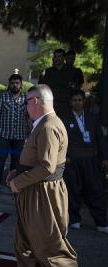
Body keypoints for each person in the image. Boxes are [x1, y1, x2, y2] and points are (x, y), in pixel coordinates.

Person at [7, 84, 77, 267]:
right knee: (25, 246)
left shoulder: (48, 126)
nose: (25, 106)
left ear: (36, 101)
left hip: (42, 194)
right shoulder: (45, 124)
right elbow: (39, 160)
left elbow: (47, 167)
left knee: (50, 250)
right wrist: (18, 172)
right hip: (34, 190)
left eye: (26, 102)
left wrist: (19, 182)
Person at [62, 89, 108, 234]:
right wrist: (64, 157)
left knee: (95, 190)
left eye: (80, 100)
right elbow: (59, 141)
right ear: (70, 102)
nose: (77, 102)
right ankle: (75, 220)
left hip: (91, 160)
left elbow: (100, 140)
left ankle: (101, 222)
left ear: (84, 101)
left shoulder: (93, 118)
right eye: (74, 100)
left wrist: (104, 158)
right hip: (72, 160)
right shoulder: (64, 119)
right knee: (73, 190)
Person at [0, 74, 29, 191]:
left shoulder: (25, 99)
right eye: (12, 83)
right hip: (4, 134)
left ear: (20, 84)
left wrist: (30, 132)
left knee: (16, 161)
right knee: (1, 159)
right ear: (9, 84)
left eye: (17, 83)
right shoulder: (3, 97)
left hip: (20, 135)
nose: (15, 85)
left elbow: (29, 117)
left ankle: (11, 182)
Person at [39, 49, 75, 118]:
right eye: (55, 57)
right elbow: (43, 87)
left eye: (59, 56)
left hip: (66, 105)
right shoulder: (48, 71)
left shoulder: (71, 71)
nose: (57, 59)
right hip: (52, 104)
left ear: (64, 58)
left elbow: (74, 88)